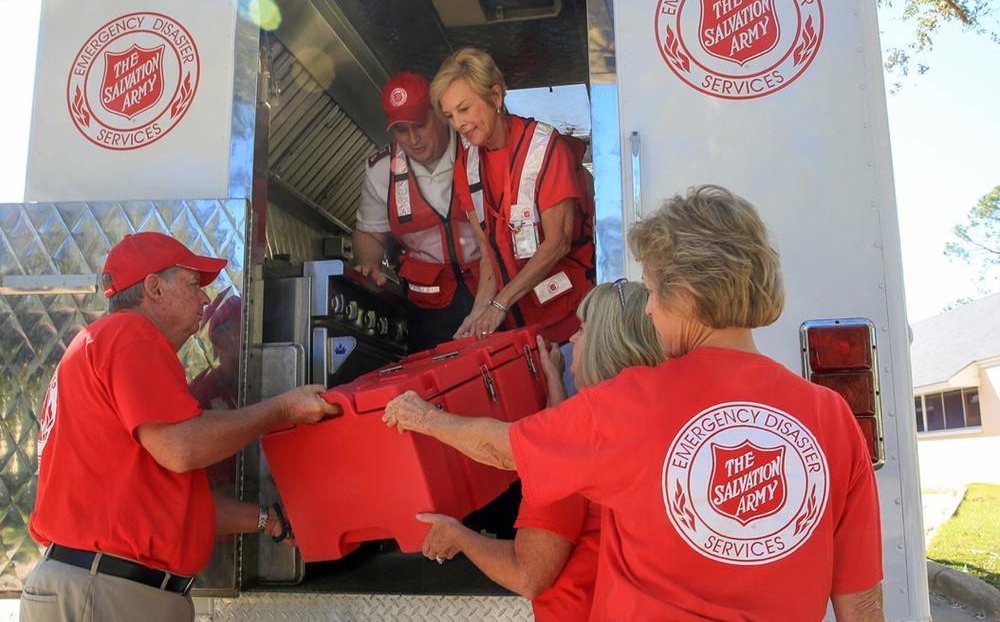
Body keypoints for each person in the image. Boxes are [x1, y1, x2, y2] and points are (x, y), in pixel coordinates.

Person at [383, 186, 885, 621]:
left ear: (686, 292)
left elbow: (504, 449)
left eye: (651, 290)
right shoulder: (831, 417)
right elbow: (860, 604)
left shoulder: (635, 400)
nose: (647, 308)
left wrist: (426, 418)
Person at [21, 232, 339, 622]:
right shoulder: (130, 334)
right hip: (106, 591)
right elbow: (182, 448)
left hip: (99, 584)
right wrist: (284, 408)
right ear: (154, 288)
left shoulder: (101, 345)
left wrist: (265, 519)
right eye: (193, 285)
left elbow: (164, 501)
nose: (205, 298)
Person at [415, 280, 663, 620]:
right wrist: (555, 382)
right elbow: (565, 434)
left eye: (583, 329)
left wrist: (458, 536)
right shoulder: (652, 417)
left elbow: (527, 574)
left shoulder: (576, 444)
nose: (573, 339)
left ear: (605, 344)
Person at [429, 48, 595, 344]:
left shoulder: (544, 147)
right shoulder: (466, 167)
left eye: (464, 109)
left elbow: (558, 242)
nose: (458, 124)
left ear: (495, 97)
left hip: (573, 325)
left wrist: (498, 305)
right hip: (522, 331)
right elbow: (488, 254)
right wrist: (477, 316)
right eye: (449, 115)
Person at [353, 71, 485, 352]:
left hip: (489, 290)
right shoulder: (381, 170)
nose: (413, 139)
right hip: (429, 309)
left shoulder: (475, 149)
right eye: (402, 131)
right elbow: (369, 233)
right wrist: (369, 265)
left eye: (420, 125)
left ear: (438, 113)